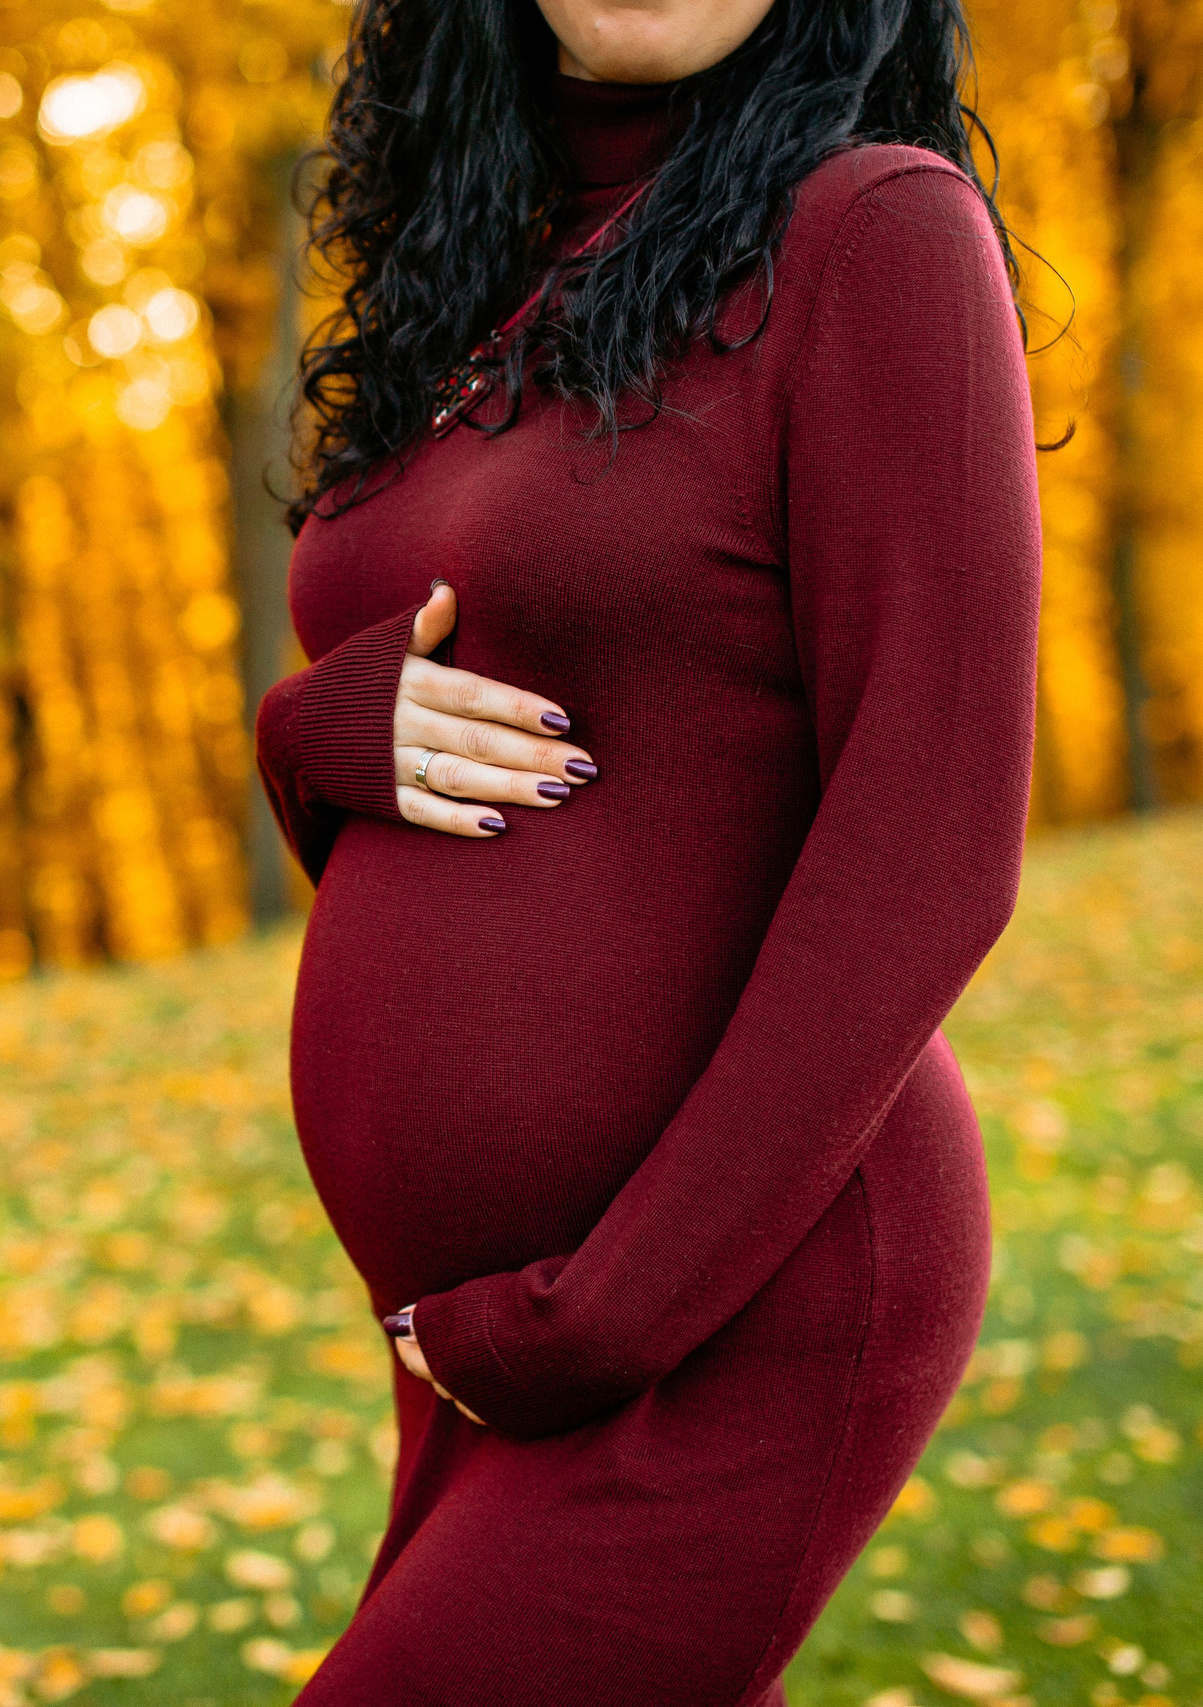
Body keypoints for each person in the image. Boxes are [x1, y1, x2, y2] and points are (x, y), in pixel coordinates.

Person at [249, 0, 1044, 1696]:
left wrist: (602, 1317)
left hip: (726, 1300)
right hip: (502, 1319)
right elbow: (521, 767)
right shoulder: (482, 272)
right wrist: (314, 736)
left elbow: (935, 842)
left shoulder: (871, 233)